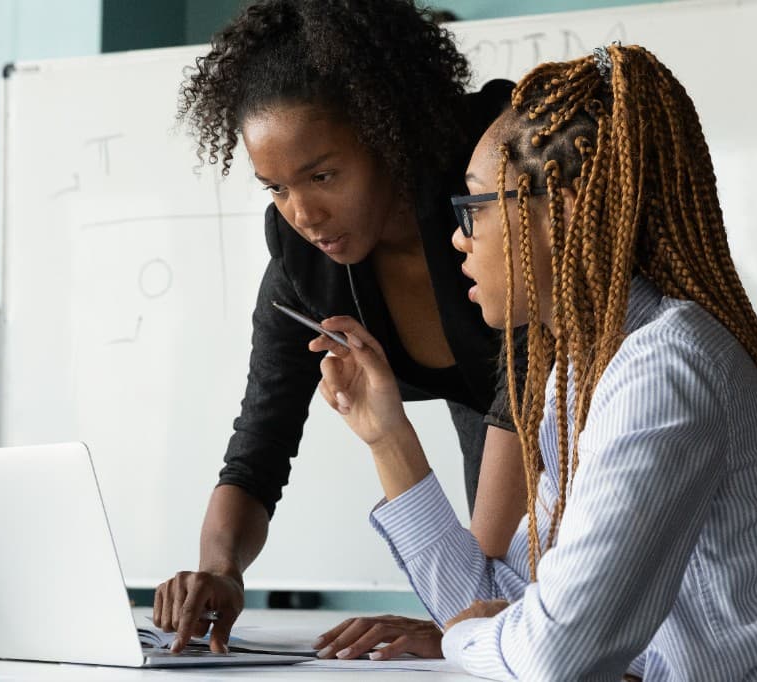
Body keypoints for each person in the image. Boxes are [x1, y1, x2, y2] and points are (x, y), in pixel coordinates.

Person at [316, 44, 757, 678]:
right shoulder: (584, 372)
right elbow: (496, 597)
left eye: (474, 207)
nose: (457, 239)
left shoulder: (663, 370)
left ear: (561, 213)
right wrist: (387, 434)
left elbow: (556, 654)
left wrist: (468, 637)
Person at [152, 0, 532, 658]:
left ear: (390, 133)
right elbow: (259, 440)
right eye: (275, 186)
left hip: (582, 448)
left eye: (322, 175)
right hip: (497, 428)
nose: (302, 212)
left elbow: (495, 590)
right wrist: (221, 570)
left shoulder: (492, 202)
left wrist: (467, 622)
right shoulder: (306, 258)